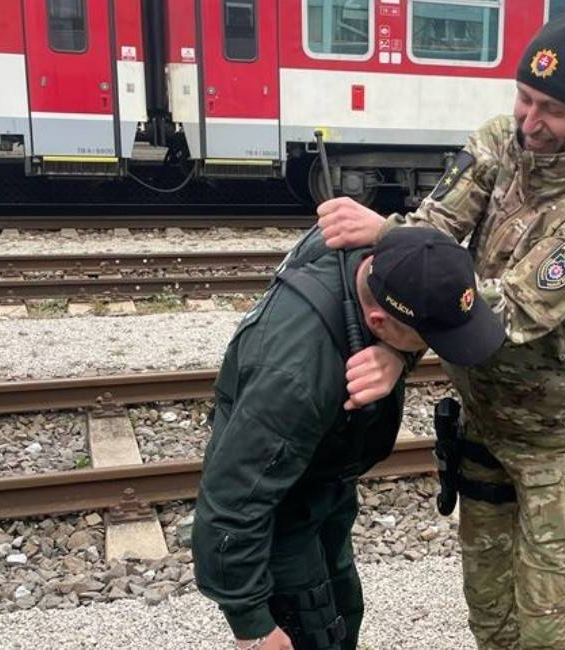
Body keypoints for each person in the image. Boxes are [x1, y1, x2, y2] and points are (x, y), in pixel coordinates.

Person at [315, 13, 565, 649]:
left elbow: (500, 311)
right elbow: (436, 233)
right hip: (482, 421)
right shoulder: (500, 141)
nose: (529, 121)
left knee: (550, 633)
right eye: (524, 97)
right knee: (490, 618)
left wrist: (385, 245)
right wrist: (397, 265)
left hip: (555, 446)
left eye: (552, 110)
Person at [192, 226, 505, 650]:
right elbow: (229, 505)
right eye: (429, 340)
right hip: (282, 517)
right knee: (315, 635)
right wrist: (253, 626)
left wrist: (399, 353)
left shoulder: (375, 255)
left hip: (326, 481)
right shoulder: (296, 377)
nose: (435, 350)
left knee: (343, 611)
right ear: (378, 323)